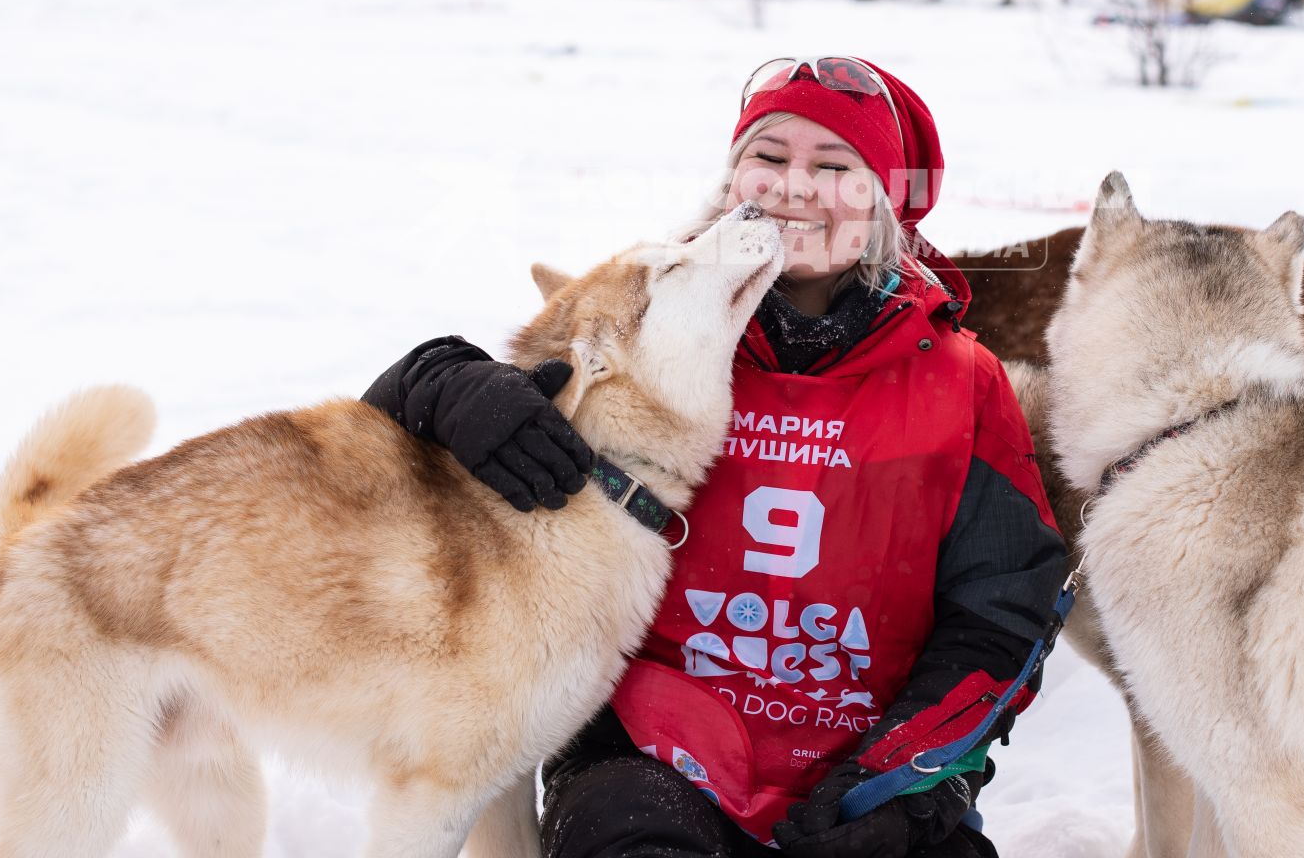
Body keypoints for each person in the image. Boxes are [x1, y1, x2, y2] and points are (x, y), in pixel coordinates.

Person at [363, 57, 1069, 858]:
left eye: (833, 166)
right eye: (768, 156)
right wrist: (440, 382)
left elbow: (1003, 609)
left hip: (867, 770)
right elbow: (415, 445)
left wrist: (914, 782)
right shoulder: (661, 322)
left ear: (884, 201)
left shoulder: (962, 380)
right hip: (645, 757)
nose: (792, 187)